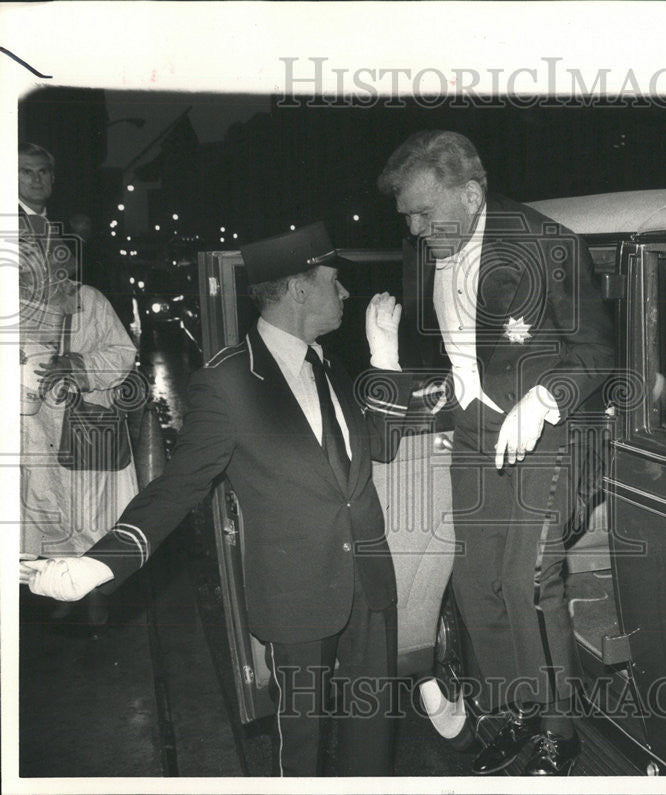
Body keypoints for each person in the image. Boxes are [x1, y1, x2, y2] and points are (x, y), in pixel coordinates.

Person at [22, 223, 415, 777]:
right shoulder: (228, 381)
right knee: (302, 745)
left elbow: (377, 449)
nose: (346, 292)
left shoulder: (327, 362)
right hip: (298, 592)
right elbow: (178, 486)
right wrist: (97, 564)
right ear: (300, 289)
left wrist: (387, 366)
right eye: (335, 281)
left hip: (371, 581)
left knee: (373, 737)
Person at [377, 130, 615, 776]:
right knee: (476, 581)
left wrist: (543, 398)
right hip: (479, 435)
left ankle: (559, 730)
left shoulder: (547, 246)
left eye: (427, 212)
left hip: (552, 432)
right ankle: (515, 708)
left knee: (529, 582)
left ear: (473, 193)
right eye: (409, 218)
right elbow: (463, 354)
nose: (419, 229)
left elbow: (597, 352)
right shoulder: (438, 246)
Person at [19, 142, 138, 632]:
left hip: (87, 428)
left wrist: (79, 365)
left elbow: (123, 356)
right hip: (34, 431)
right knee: (47, 511)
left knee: (93, 514)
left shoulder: (90, 302)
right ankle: (58, 589)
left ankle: (96, 595)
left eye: (56, 260)